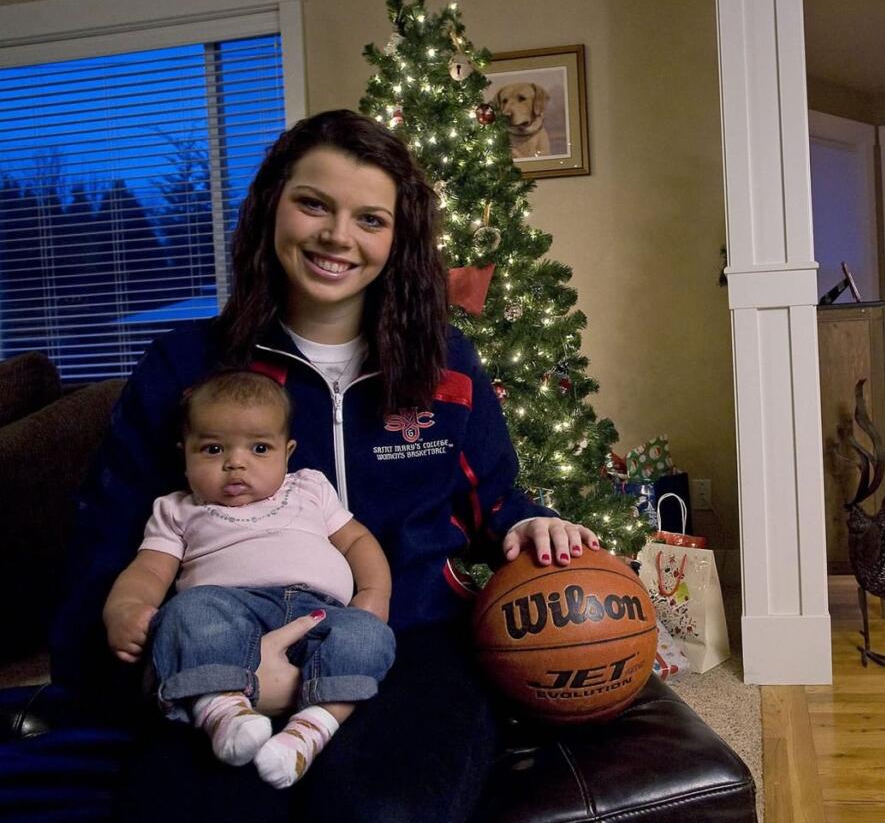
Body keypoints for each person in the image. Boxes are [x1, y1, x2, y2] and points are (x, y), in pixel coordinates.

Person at [50, 108, 601, 822]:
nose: (338, 237)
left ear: (397, 239)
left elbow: (494, 498)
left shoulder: (447, 366)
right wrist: (172, 662)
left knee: (383, 813)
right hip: (220, 643)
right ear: (271, 206)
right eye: (314, 204)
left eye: (370, 219)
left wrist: (531, 522)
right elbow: (109, 544)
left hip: (410, 640)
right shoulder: (184, 367)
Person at [103, 370, 396, 789]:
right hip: (229, 608)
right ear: (183, 454)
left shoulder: (309, 488)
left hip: (320, 613)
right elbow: (150, 569)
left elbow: (356, 541)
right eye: (212, 448)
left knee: (369, 635)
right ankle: (222, 712)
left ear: (287, 452)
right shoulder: (178, 511)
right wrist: (125, 608)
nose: (235, 462)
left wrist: (374, 593)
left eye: (259, 448)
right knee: (187, 611)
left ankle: (310, 730)